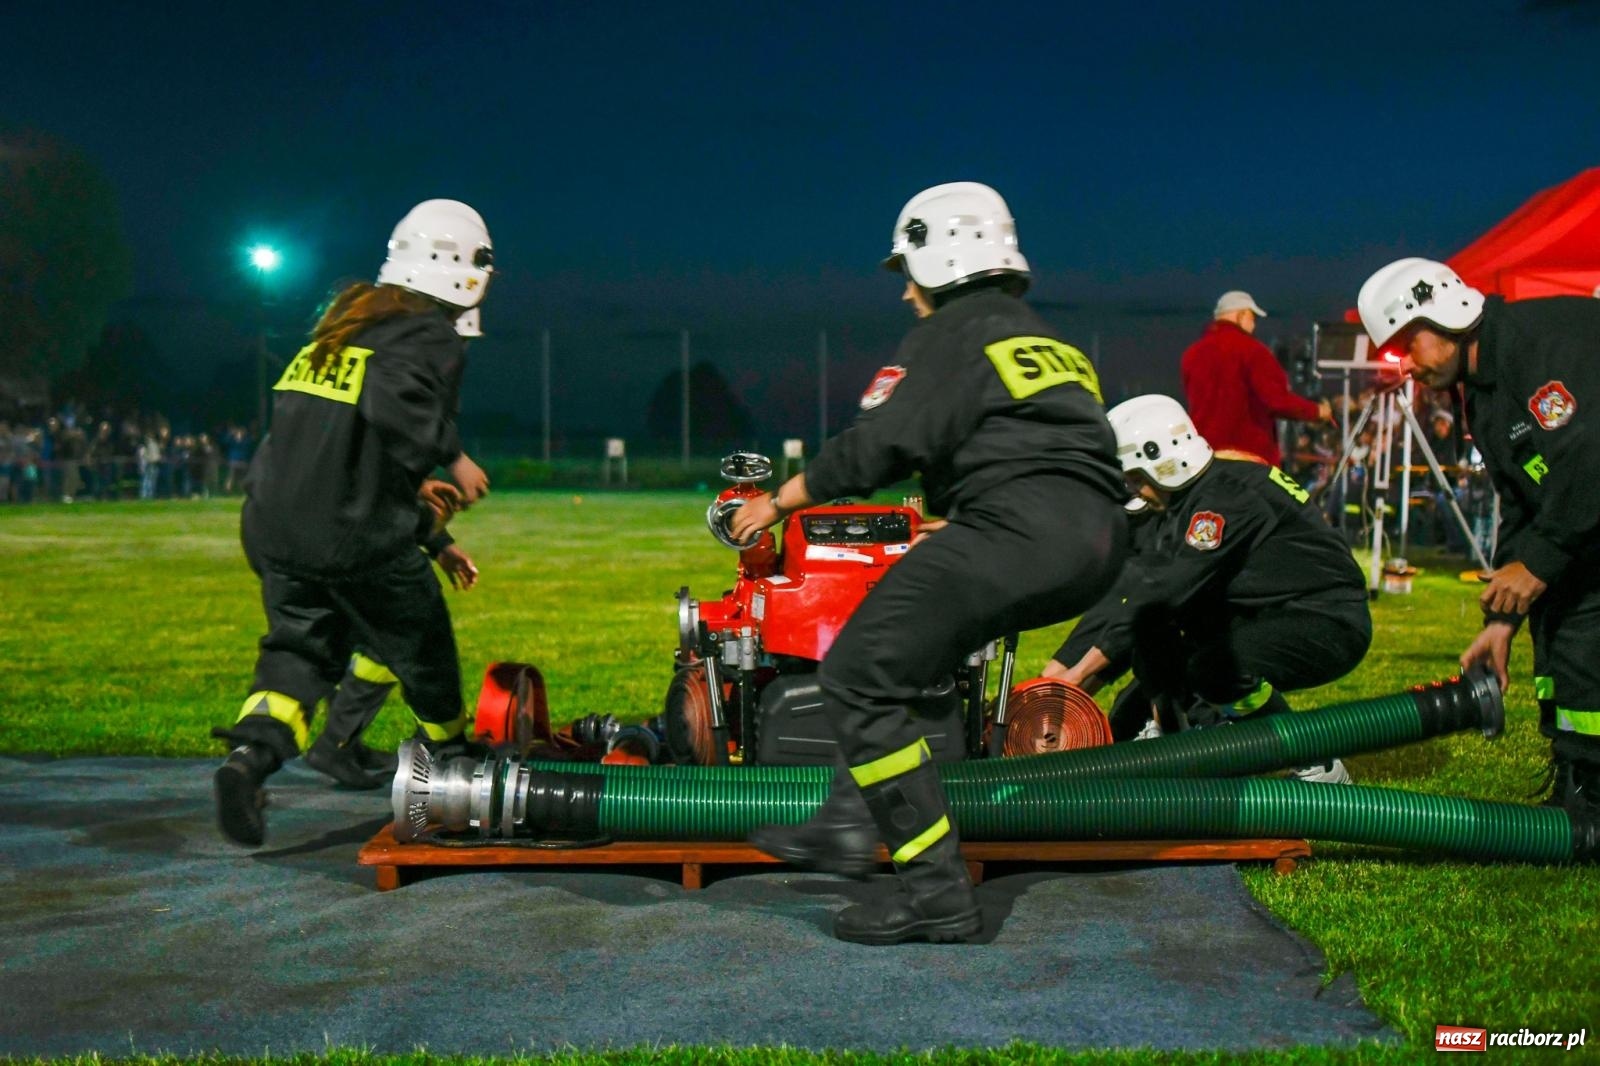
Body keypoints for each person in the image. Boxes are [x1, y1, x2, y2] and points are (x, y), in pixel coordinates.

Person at [730, 182, 1129, 945]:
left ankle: (937, 897)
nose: (907, 293)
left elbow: (876, 446)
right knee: (904, 664)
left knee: (851, 672)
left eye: (908, 272)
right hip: (1097, 537)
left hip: (1019, 531)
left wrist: (777, 504)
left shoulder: (954, 331)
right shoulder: (1042, 339)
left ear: (939, 259)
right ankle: (849, 817)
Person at [212, 198, 494, 846]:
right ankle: (454, 765)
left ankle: (249, 758)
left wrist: (437, 536)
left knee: (298, 656)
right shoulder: (426, 336)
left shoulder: (344, 326)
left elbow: (350, 457)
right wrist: (452, 456)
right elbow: (398, 403)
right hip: (349, 536)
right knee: (421, 643)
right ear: (461, 269)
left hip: (276, 528)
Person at [1357, 257, 1600, 813]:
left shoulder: (1540, 346)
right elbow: (1521, 501)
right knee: (1563, 623)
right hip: (1587, 529)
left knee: (1585, 622)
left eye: (1404, 345)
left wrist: (1538, 563)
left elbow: (1590, 461)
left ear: (1440, 314)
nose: (1405, 366)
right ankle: (1579, 781)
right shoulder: (1484, 391)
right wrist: (1502, 622)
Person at [1043, 395, 1372, 782]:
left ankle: (1314, 759)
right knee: (1131, 705)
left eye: (1132, 475)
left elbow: (1163, 594)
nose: (1129, 488)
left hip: (1325, 618)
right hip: (1258, 614)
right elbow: (1125, 596)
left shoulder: (1225, 498)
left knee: (1212, 670)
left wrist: (1079, 676)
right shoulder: (1180, 500)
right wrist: (1055, 677)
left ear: (1161, 459)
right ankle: (1177, 743)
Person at [303, 477, 481, 788]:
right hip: (354, 546)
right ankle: (445, 753)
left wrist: (440, 543)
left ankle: (338, 744)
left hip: (340, 541)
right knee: (416, 637)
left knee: (381, 646)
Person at [1181, 291, 1332, 467]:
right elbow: (1277, 401)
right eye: (1253, 318)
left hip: (1205, 456)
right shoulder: (1253, 351)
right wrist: (1317, 411)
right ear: (1241, 314)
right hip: (1249, 457)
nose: (1253, 325)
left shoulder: (1191, 354)